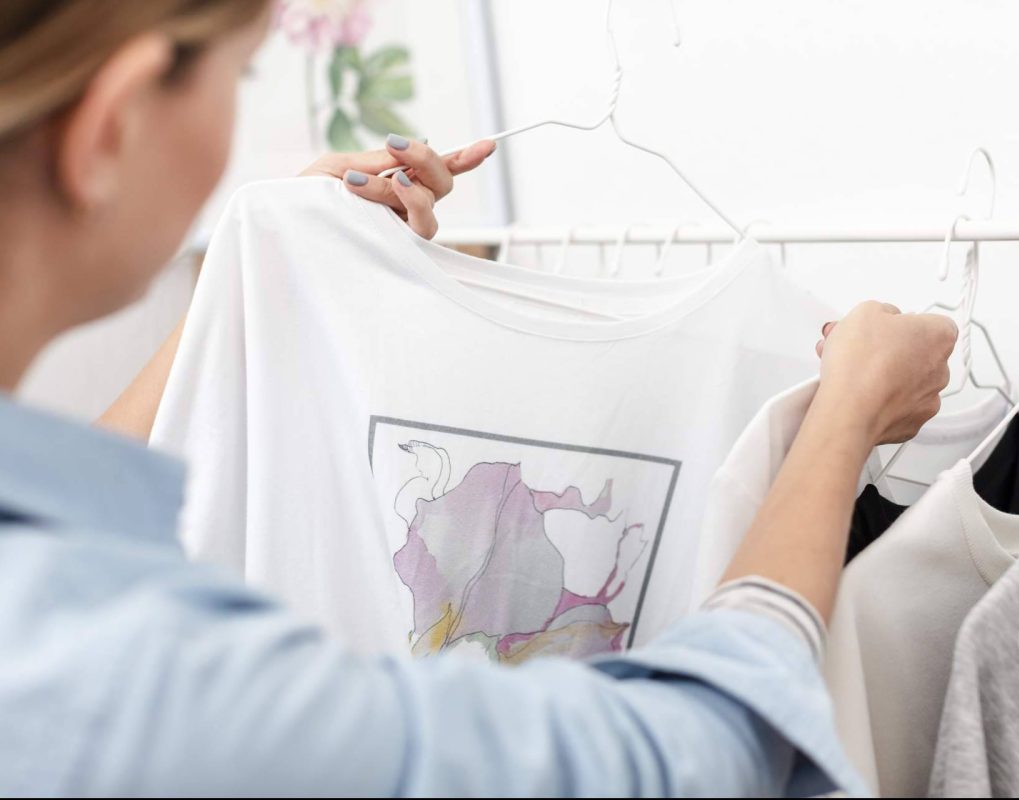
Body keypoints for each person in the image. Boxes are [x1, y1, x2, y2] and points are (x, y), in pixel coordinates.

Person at [0, 1, 957, 796]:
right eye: (241, 76)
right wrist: (843, 419)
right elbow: (700, 752)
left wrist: (263, 283)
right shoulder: (149, 677)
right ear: (112, 125)